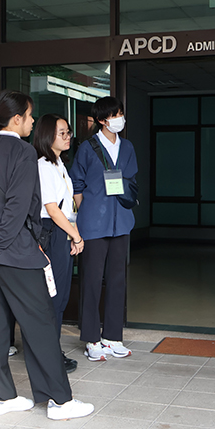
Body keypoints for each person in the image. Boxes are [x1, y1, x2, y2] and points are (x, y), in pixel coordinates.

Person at [0, 90, 94, 420]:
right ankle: (59, 401)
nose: (33, 122)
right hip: (15, 253)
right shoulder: (21, 152)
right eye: (30, 116)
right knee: (40, 324)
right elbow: (18, 208)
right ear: (16, 118)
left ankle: (2, 396)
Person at [69, 96, 138, 362]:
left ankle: (112, 336)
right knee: (92, 281)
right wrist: (87, 211)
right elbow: (76, 184)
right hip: (93, 225)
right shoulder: (87, 148)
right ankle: (91, 339)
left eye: (120, 113)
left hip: (121, 222)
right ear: (101, 119)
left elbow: (130, 179)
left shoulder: (128, 146)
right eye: (114, 114)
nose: (119, 118)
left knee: (118, 280)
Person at [33, 114, 83, 374]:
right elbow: (52, 209)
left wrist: (72, 232)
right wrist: (74, 235)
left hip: (61, 232)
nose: (67, 137)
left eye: (68, 132)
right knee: (52, 296)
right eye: (61, 133)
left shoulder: (58, 163)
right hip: (50, 233)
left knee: (60, 295)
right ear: (46, 135)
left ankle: (52, 350)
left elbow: (66, 207)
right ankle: (49, 354)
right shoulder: (43, 165)